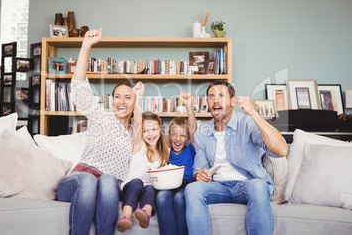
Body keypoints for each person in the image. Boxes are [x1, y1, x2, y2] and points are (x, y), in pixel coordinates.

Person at [56, 28, 136, 235]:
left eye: (128, 97)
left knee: (109, 179)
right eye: (117, 96)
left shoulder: (138, 132)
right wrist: (86, 46)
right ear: (112, 100)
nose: (121, 101)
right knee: (91, 180)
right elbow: (80, 90)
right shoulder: (103, 117)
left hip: (109, 188)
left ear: (136, 103)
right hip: (79, 181)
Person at [185, 80, 288, 235]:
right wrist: (199, 174)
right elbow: (199, 168)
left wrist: (253, 113)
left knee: (259, 186)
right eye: (211, 96)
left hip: (247, 185)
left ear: (233, 101)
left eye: (221, 95)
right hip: (219, 187)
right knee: (192, 188)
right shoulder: (202, 133)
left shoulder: (247, 123)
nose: (216, 100)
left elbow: (281, 150)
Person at [116, 81, 170, 232]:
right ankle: (126, 215)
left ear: (160, 129)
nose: (150, 134)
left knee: (151, 187)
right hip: (129, 186)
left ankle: (145, 212)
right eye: (145, 131)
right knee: (138, 182)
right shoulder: (139, 146)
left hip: (148, 190)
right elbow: (138, 122)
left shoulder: (165, 153)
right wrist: (138, 96)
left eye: (153, 129)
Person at [156, 92, 197, 235]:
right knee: (161, 197)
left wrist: (189, 106)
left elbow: (193, 129)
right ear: (169, 136)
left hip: (186, 184)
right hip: (168, 185)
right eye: (174, 134)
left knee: (180, 199)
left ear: (188, 138)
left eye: (183, 135)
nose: (178, 138)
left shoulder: (190, 149)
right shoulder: (166, 151)